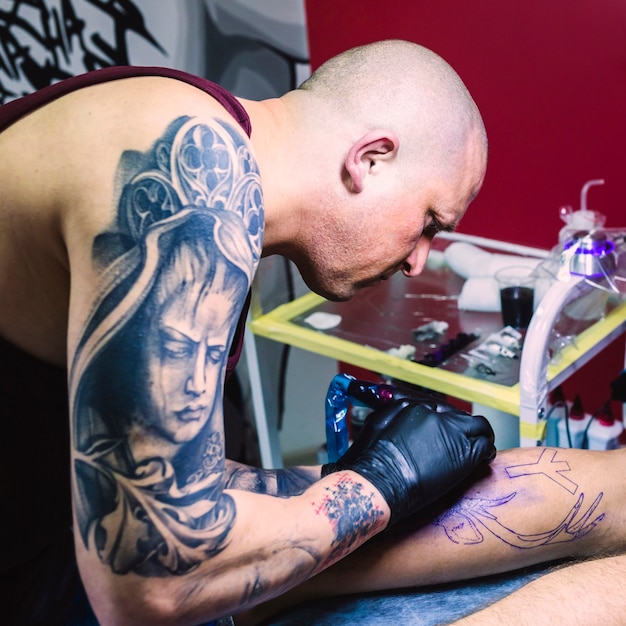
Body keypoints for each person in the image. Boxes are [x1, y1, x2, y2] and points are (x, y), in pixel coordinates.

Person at [0, 38, 620, 626]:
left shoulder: (197, 141)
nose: (418, 261)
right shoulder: (196, 175)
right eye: (429, 220)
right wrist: (380, 481)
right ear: (369, 160)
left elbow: (152, 489)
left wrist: (378, 481)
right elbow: (146, 585)